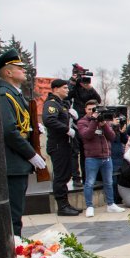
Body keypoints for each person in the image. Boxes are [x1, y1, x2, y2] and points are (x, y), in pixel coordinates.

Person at [0, 49, 47, 235]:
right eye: (19, 68)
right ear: (8, 72)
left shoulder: (15, 94)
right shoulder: (4, 95)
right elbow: (9, 131)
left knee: (16, 214)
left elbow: (21, 124)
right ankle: (11, 256)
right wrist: (31, 154)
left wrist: (35, 129)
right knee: (12, 217)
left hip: (17, 163)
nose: (24, 71)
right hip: (11, 164)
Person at [77, 100, 125, 217]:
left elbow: (112, 137)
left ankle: (111, 204)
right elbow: (87, 135)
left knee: (108, 182)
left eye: (94, 109)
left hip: (106, 157)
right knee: (89, 183)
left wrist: (104, 124)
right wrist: (94, 120)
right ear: (86, 110)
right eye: (90, 110)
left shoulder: (104, 121)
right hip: (92, 157)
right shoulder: (82, 122)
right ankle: (89, 206)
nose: (93, 112)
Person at [42, 79, 81, 215]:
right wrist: (66, 129)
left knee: (65, 175)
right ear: (56, 89)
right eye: (64, 88)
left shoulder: (61, 104)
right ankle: (62, 206)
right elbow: (49, 120)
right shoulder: (51, 104)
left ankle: (66, 204)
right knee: (60, 177)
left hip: (65, 145)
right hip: (58, 145)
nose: (67, 90)